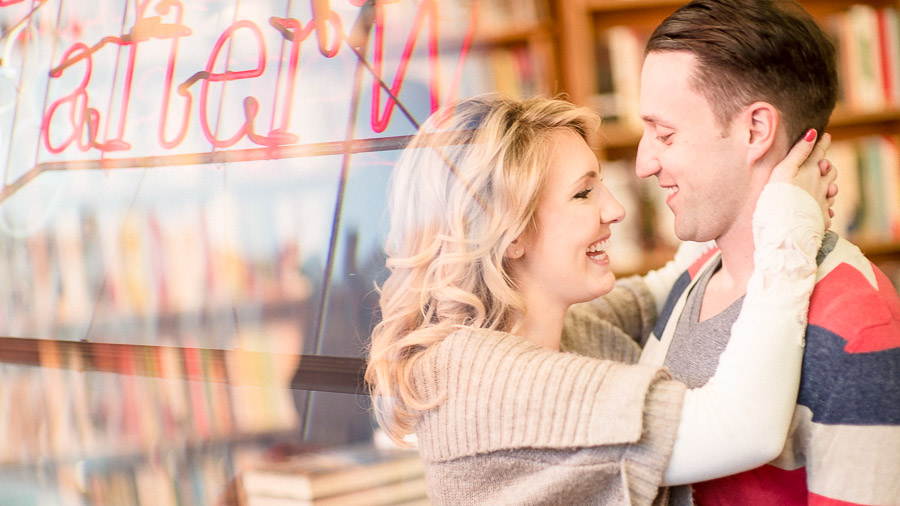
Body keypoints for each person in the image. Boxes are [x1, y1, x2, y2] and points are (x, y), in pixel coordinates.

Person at [365, 93, 835, 505]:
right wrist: (788, 225)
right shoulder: (487, 380)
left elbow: (670, 285)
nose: (615, 208)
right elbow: (743, 428)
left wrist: (729, 188)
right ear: (507, 232)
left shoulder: (557, 326)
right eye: (584, 193)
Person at [631, 0, 900, 505]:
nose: (644, 162)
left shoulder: (856, 322)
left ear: (756, 130)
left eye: (664, 133)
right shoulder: (693, 279)